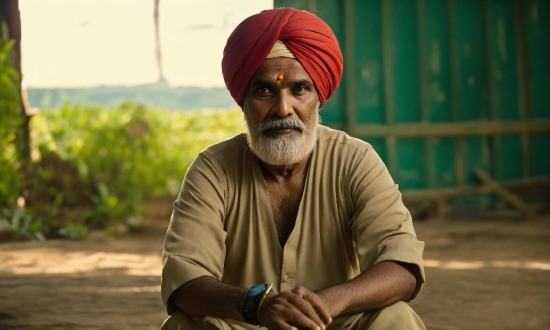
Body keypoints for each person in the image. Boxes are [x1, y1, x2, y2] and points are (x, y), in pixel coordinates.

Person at [161, 7, 425, 330]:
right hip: (247, 324)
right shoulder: (212, 170)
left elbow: (402, 265)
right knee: (182, 325)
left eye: (299, 89)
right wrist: (256, 305)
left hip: (332, 323)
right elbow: (183, 279)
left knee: (397, 318)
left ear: (318, 98)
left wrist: (329, 301)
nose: (283, 108)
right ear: (244, 99)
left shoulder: (356, 161)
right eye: (264, 90)